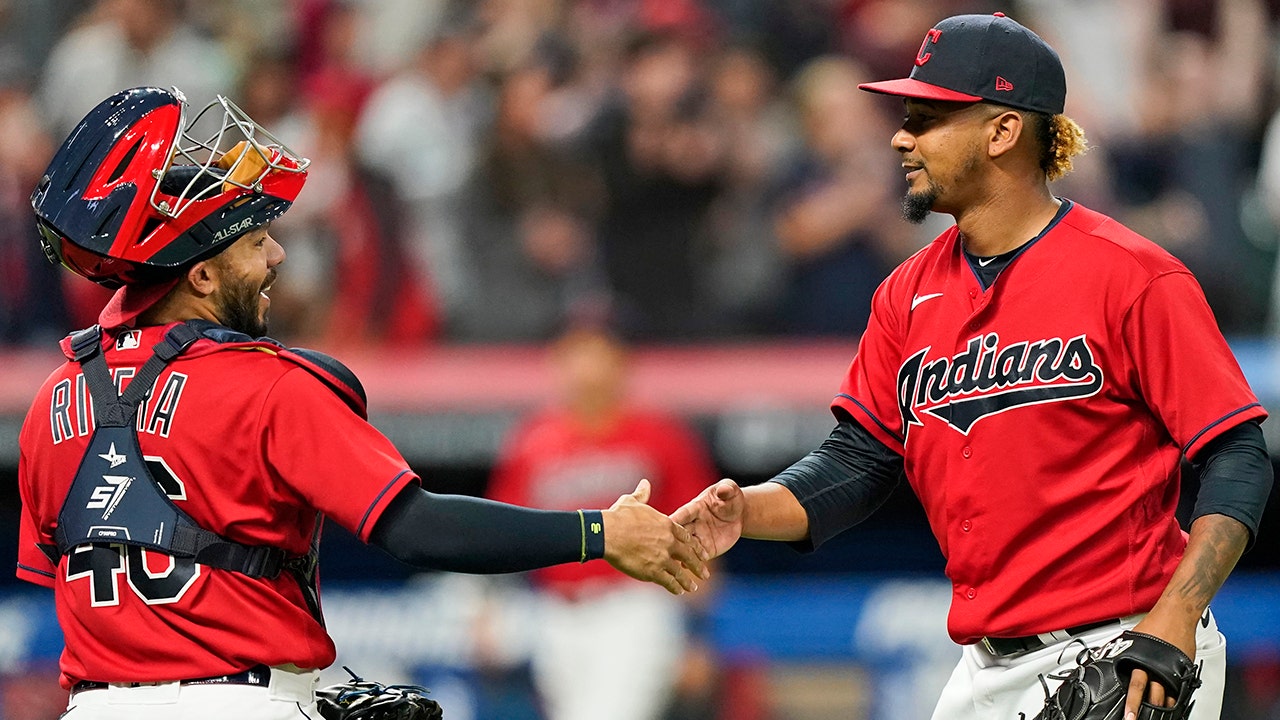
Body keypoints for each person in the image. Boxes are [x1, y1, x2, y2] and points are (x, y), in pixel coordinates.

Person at [16, 85, 707, 720]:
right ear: (200, 274)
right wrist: (599, 534)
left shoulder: (54, 399)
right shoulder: (270, 383)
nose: (277, 257)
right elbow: (415, 528)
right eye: (256, 242)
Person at [672, 13, 1273, 720]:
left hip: (1127, 645)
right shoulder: (906, 293)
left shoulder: (1131, 276)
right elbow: (858, 463)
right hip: (985, 665)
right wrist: (747, 510)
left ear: (1002, 131)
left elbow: (1237, 454)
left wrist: (1178, 613)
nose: (901, 135)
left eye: (928, 118)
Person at [487, 316, 719, 720]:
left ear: (621, 364)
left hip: (635, 608)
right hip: (555, 616)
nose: (586, 368)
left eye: (597, 355)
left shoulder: (659, 435)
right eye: (575, 356)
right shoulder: (532, 440)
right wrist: (491, 607)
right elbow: (503, 536)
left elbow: (703, 536)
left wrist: (698, 634)